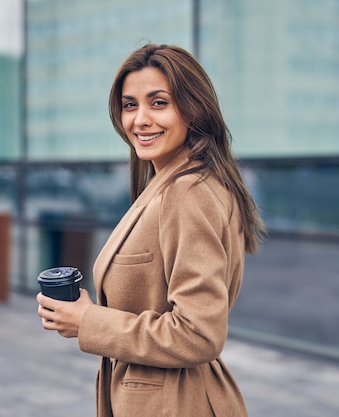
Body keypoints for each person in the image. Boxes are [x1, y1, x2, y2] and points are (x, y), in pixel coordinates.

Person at [37, 43, 265, 417]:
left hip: (177, 402)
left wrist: (88, 321)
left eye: (158, 103)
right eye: (130, 105)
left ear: (193, 108)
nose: (140, 119)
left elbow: (199, 333)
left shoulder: (188, 193)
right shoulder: (168, 183)